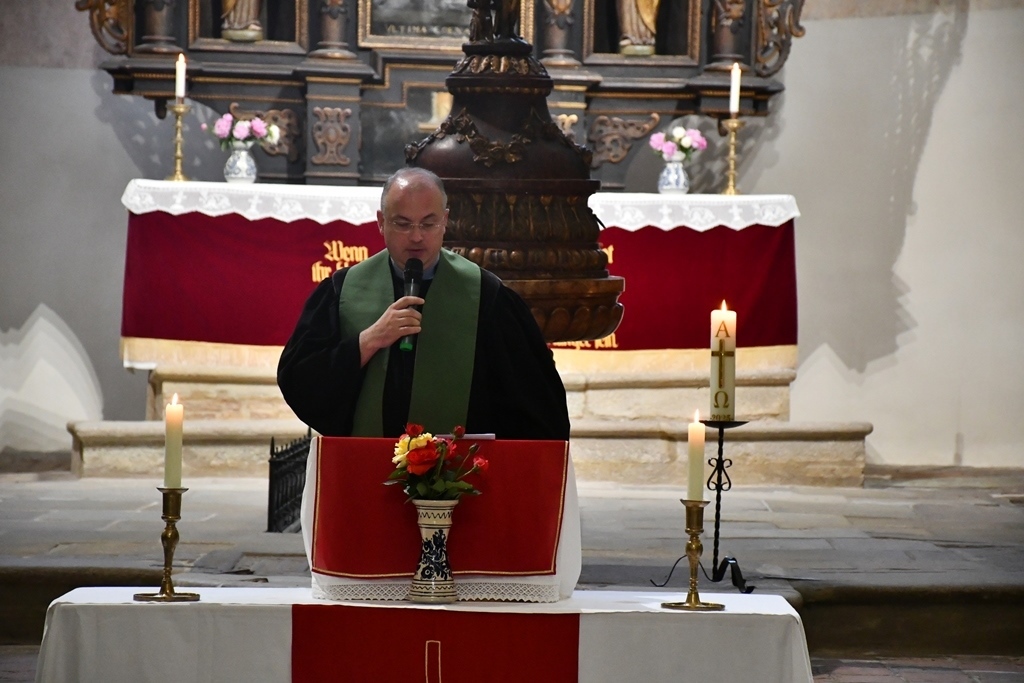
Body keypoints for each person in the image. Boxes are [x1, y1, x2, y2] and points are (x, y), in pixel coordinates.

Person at [277, 167, 571, 441]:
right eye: (402, 224)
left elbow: (536, 404)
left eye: (428, 223)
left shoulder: (487, 296)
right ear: (381, 222)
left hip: (460, 473)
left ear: (445, 220)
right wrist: (368, 340)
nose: (416, 236)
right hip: (367, 467)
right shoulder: (342, 291)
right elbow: (300, 381)